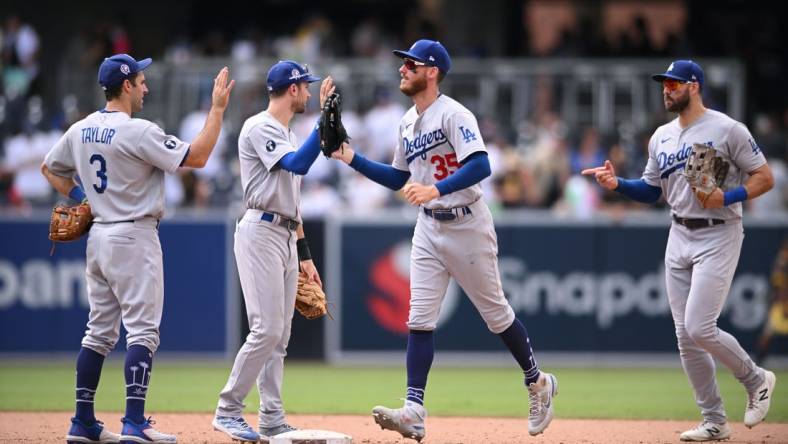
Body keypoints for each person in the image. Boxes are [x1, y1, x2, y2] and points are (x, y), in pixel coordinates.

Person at [331, 39, 558, 441]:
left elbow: (481, 164)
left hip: (467, 223)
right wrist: (351, 158)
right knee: (419, 318)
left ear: (432, 71)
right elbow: (400, 178)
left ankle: (537, 382)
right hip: (428, 228)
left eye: (411, 64)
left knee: (496, 315)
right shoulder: (406, 121)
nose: (402, 68)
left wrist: (436, 189)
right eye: (403, 63)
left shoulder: (454, 114)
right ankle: (414, 411)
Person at [42, 54, 234, 444]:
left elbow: (50, 169)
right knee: (143, 332)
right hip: (133, 235)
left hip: (98, 239)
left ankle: (82, 421)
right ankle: (134, 422)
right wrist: (216, 110)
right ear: (126, 85)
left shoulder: (81, 129)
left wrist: (84, 198)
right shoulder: (138, 130)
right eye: (141, 81)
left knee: (97, 334)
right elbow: (196, 157)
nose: (146, 88)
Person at [582, 60, 776, 442]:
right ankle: (714, 420)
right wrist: (618, 183)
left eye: (673, 83)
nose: (666, 89)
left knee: (699, 326)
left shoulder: (726, 129)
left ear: (694, 86)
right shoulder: (661, 136)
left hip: (719, 231)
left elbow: (764, 177)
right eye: (663, 84)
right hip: (679, 232)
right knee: (685, 337)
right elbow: (652, 191)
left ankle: (756, 380)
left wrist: (730, 194)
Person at [211, 60, 334, 443]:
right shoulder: (259, 125)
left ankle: (272, 419)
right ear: (292, 88)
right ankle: (228, 409)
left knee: (279, 336)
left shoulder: (288, 133)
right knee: (265, 329)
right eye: (306, 86)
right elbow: (297, 164)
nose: (311, 93)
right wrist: (322, 124)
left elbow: (293, 201)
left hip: (283, 233)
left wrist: (305, 253)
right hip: (259, 230)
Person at [754, 237, 788, 366]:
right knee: (767, 333)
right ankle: (758, 362)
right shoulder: (783, 261)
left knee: (767, 334)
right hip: (781, 304)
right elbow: (778, 286)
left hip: (781, 302)